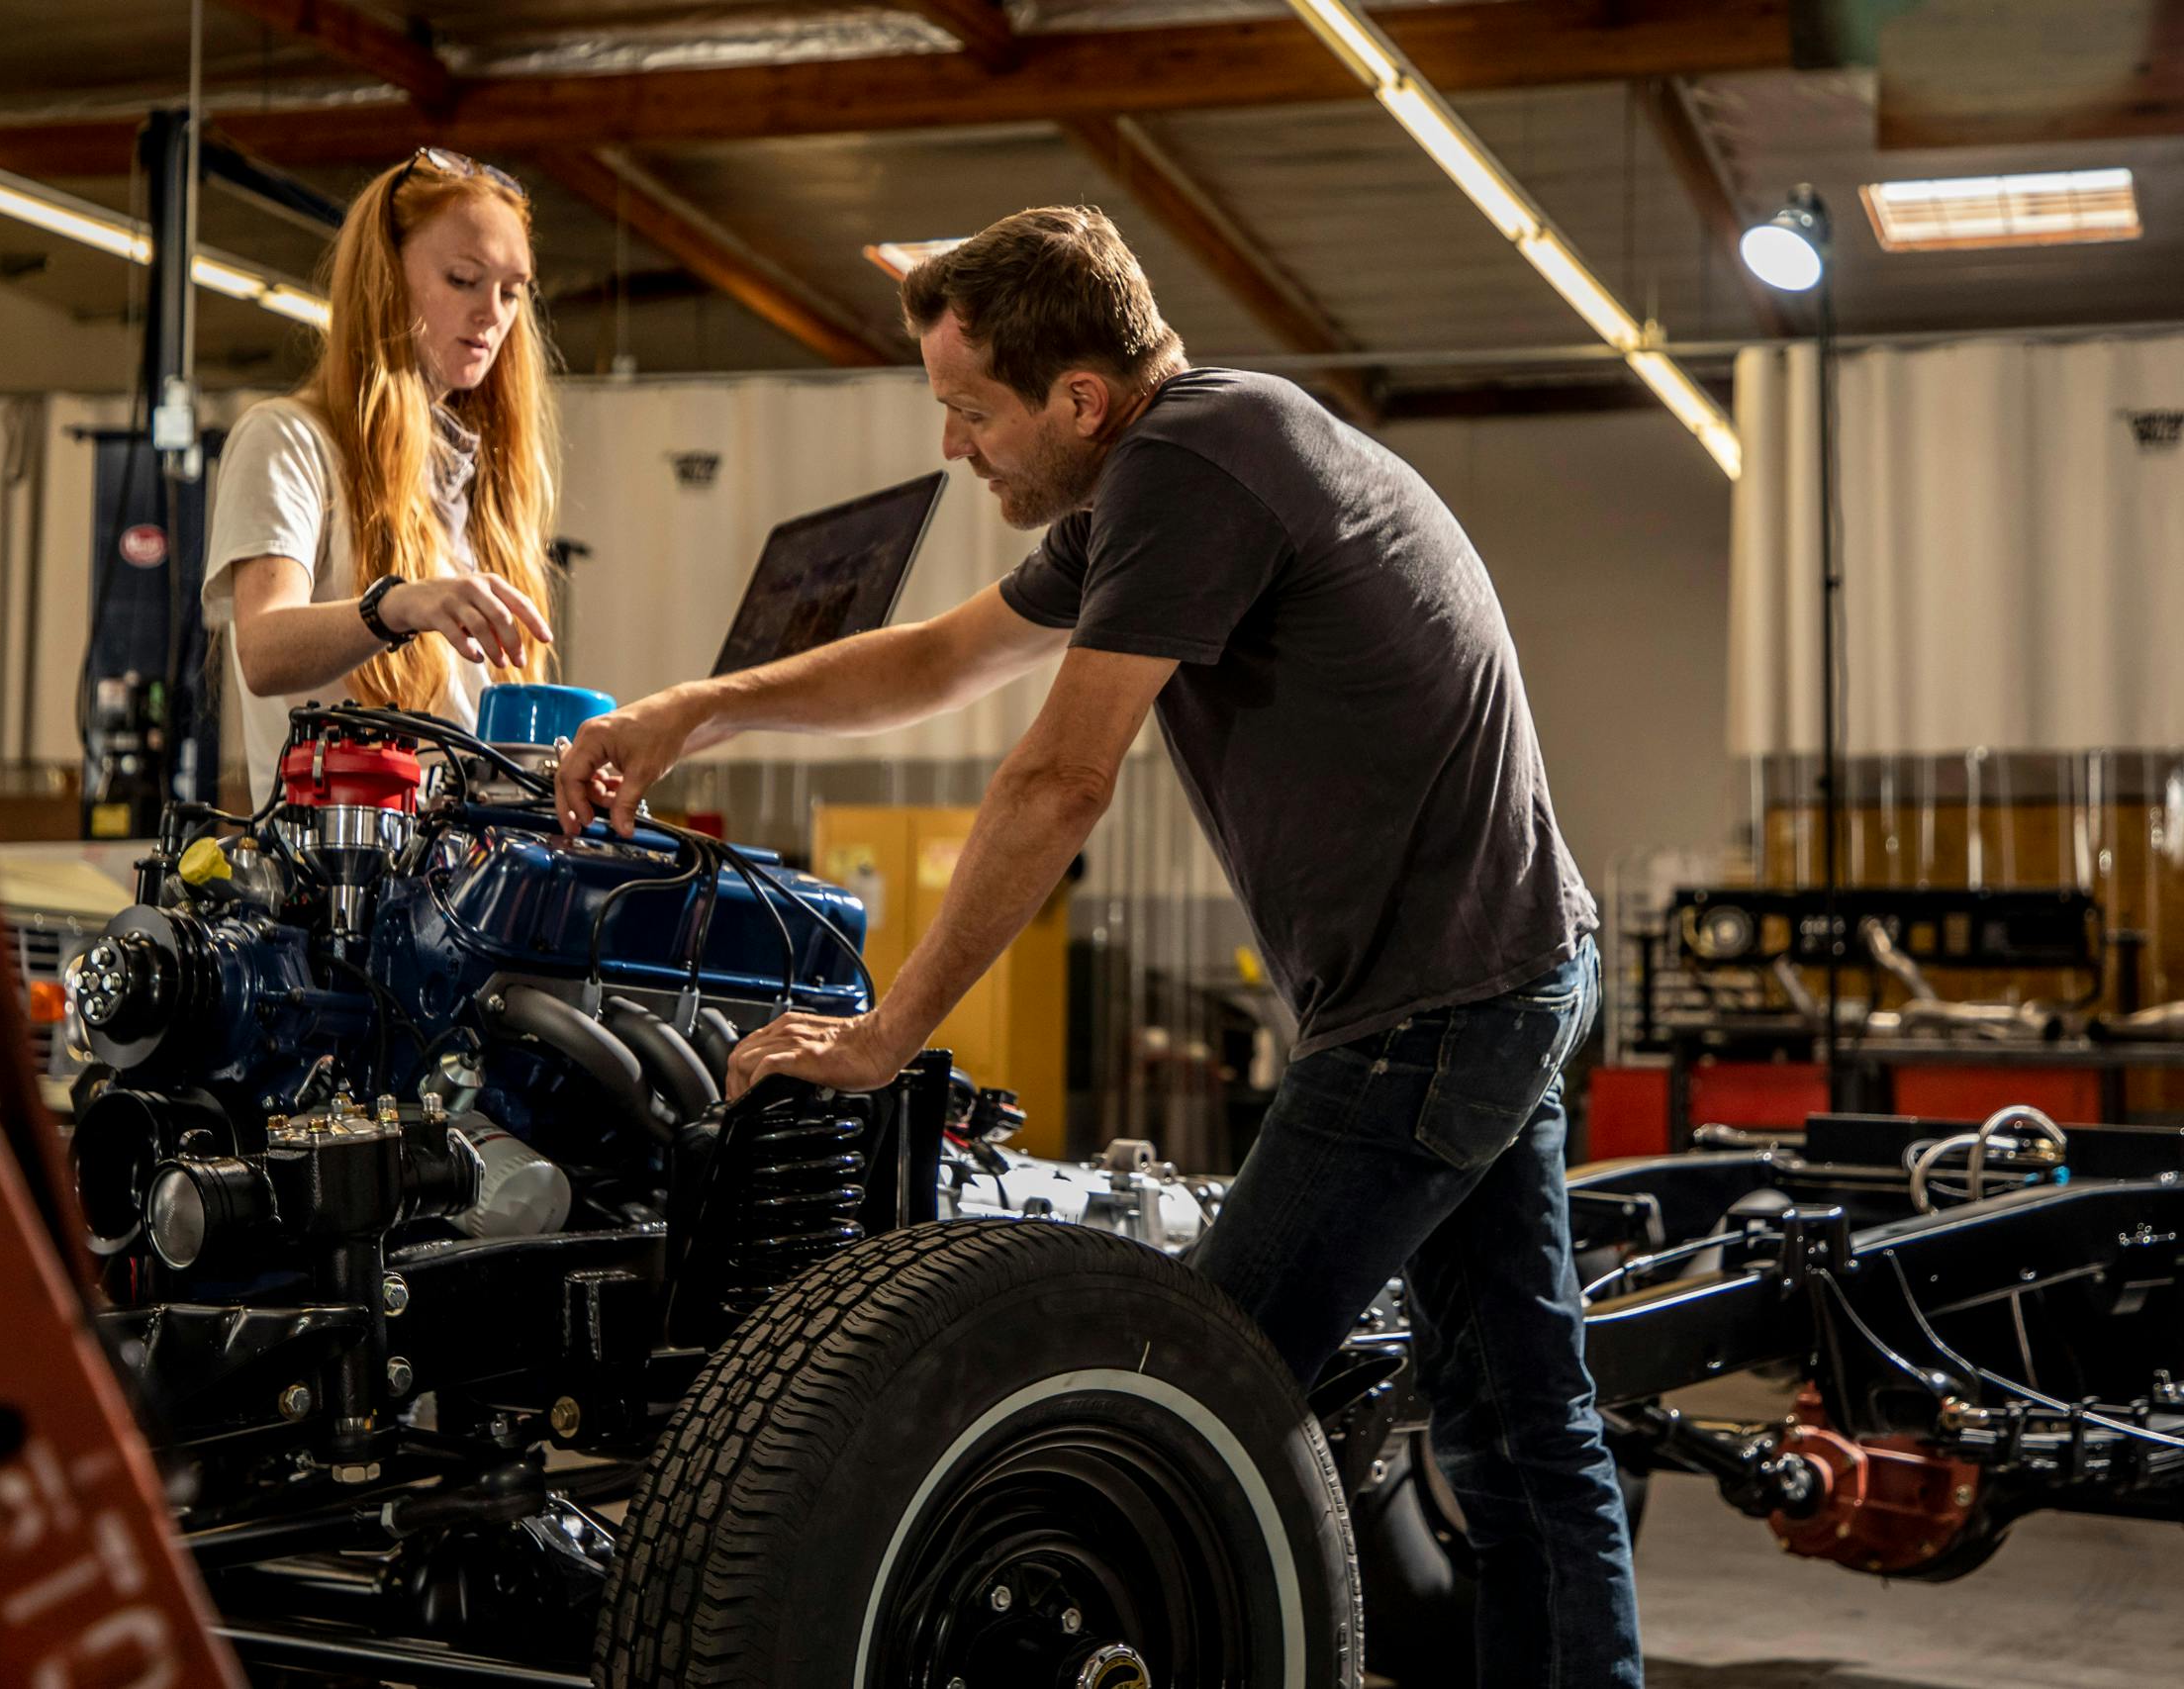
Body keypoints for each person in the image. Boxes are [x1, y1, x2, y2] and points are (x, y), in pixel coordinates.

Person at [554, 205, 1642, 1687]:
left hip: (1437, 1004)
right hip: (1497, 971)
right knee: (1522, 1429)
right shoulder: (1179, 459)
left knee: (1171, 1391)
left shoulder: (1193, 466)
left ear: (1080, 398)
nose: (955, 447)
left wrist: (886, 1034)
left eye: (970, 410)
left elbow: (1060, 777)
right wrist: (697, 705)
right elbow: (941, 656)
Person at [204, 147, 560, 798]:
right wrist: (397, 604)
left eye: (512, 292)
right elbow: (263, 647)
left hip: (469, 889)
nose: (493, 315)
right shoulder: (287, 441)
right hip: (338, 884)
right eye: (462, 279)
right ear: (384, 280)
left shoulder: (479, 484)